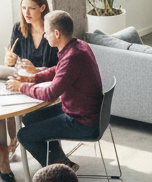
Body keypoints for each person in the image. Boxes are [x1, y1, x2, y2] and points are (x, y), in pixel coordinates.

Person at [8, 10, 103, 169]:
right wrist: (31, 78)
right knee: (29, 119)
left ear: (57, 34)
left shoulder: (73, 56)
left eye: (46, 32)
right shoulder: (78, 45)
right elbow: (57, 69)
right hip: (82, 110)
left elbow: (49, 94)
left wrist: (21, 87)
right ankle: (61, 162)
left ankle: (59, 175)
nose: (45, 36)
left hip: (82, 121)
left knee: (24, 135)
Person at [0, 0, 60, 181]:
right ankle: (5, 151)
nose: (26, 13)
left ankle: (44, 156)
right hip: (24, 83)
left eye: (31, 8)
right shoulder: (19, 29)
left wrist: (35, 72)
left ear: (43, 8)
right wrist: (9, 59)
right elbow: (11, 62)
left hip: (47, 86)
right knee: (1, 105)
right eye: (23, 8)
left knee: (26, 113)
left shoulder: (52, 32)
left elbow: (60, 68)